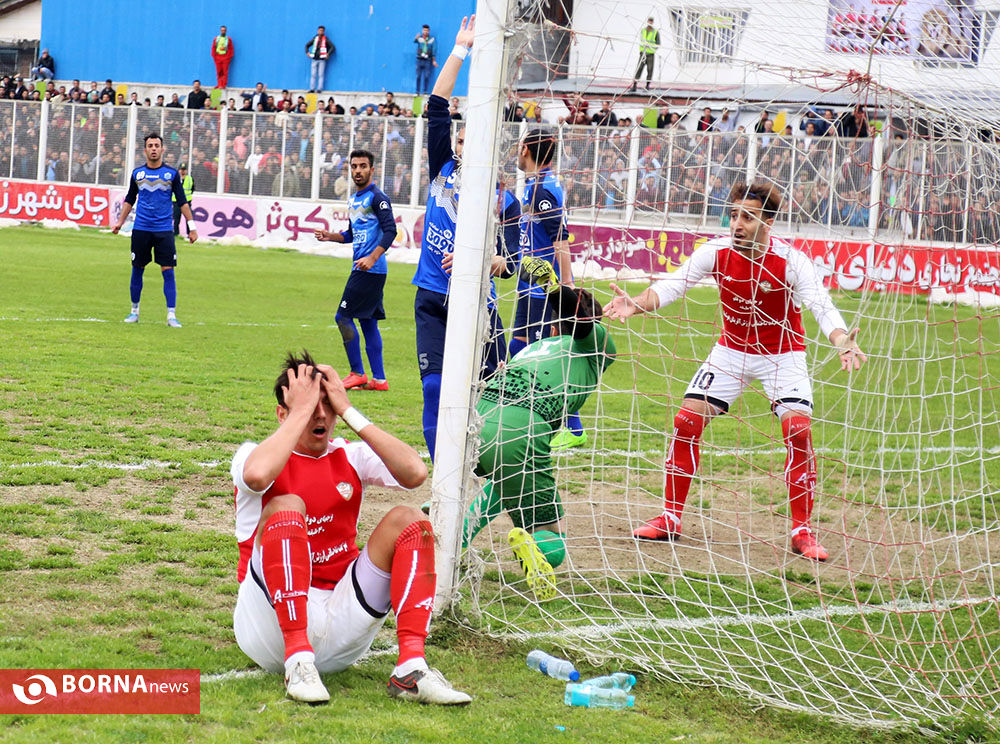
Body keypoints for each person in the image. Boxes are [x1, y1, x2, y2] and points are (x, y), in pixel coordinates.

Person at [603, 181, 867, 561]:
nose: (737, 224)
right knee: (686, 421)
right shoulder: (716, 251)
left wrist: (841, 340)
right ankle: (670, 518)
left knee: (798, 429)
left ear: (768, 222)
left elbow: (820, 305)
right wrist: (636, 305)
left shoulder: (791, 261)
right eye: (733, 215)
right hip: (731, 352)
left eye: (748, 217)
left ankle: (802, 531)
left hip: (782, 355)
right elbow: (673, 285)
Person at [230, 351, 471, 705]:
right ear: (283, 413)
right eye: (309, 405)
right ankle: (297, 660)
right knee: (287, 506)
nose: (320, 414)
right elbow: (256, 476)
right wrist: (300, 412)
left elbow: (415, 473)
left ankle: (411, 669)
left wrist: (348, 409)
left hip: (342, 621)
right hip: (268, 628)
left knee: (410, 521)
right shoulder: (252, 454)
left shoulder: (349, 455)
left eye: (326, 404)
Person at [464, 263, 615, 600]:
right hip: (520, 427)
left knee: (505, 478)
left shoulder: (534, 348)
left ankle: (451, 526)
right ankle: (538, 546)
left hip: (476, 418)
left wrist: (556, 294)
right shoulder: (599, 345)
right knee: (552, 533)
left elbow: (575, 322)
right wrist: (553, 287)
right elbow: (581, 322)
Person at [411, 15, 521, 461]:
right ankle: (443, 478)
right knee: (434, 387)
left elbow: (510, 265)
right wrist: (460, 50)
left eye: (471, 138)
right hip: (432, 296)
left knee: (495, 394)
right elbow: (437, 104)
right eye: (459, 138)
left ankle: (487, 469)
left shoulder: (505, 200)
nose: (462, 144)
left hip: (479, 304)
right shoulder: (443, 169)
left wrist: (480, 261)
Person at [508, 130, 584, 451]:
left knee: (542, 359)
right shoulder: (536, 183)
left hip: (544, 288)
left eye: (519, 147)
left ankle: (573, 428)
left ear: (526, 149)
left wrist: (566, 288)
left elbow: (560, 240)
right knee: (517, 347)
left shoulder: (542, 188)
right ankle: (521, 411)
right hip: (530, 283)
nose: (516, 152)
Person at [314, 150, 397, 392]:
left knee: (342, 317)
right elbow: (352, 234)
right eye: (354, 166)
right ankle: (379, 380)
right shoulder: (353, 199)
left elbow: (391, 230)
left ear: (372, 169)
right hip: (364, 267)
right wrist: (331, 236)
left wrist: (372, 258)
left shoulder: (378, 198)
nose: (358, 170)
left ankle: (357, 373)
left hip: (369, 269)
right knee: (368, 322)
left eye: (363, 166)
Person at [112, 133, 198, 327]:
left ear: (162, 149)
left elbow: (182, 202)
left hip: (164, 230)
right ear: (145, 150)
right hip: (141, 229)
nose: (153, 149)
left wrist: (192, 227)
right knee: (137, 268)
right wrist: (120, 222)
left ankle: (171, 315)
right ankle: (134, 311)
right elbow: (129, 199)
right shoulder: (138, 174)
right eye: (150, 145)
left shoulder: (171, 174)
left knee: (168, 270)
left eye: (156, 145)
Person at [630, 17, 660, 91]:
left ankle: (647, 86)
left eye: (651, 21)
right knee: (639, 68)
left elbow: (658, 43)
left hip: (650, 54)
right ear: (647, 21)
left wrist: (653, 49)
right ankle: (634, 85)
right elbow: (641, 40)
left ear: (653, 22)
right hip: (643, 53)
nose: (650, 22)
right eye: (649, 21)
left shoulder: (655, 32)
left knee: (650, 69)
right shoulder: (643, 30)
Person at [305, 25, 334, 93]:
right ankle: (312, 89)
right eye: (319, 30)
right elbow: (307, 45)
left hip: (322, 59)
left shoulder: (326, 39)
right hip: (314, 59)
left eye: (322, 31)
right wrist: (307, 52)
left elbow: (332, 47)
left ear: (323, 32)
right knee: (313, 74)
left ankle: (319, 89)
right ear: (317, 31)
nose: (320, 32)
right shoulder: (315, 38)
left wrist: (328, 54)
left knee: (321, 74)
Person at [414, 24, 437, 96]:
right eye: (424, 30)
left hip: (427, 60)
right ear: (422, 30)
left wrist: (433, 60)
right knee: (418, 76)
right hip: (419, 59)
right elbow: (414, 41)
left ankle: (425, 91)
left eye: (427, 30)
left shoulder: (432, 39)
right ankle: (417, 92)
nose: (425, 32)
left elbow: (434, 50)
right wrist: (416, 38)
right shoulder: (420, 38)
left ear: (429, 31)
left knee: (426, 76)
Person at [172, 163, 195, 237]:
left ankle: (189, 233)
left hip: (187, 201)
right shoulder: (175, 178)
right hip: (176, 201)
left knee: (188, 218)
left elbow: (192, 189)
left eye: (184, 170)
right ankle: (176, 233)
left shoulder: (190, 179)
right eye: (181, 170)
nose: (182, 171)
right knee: (176, 219)